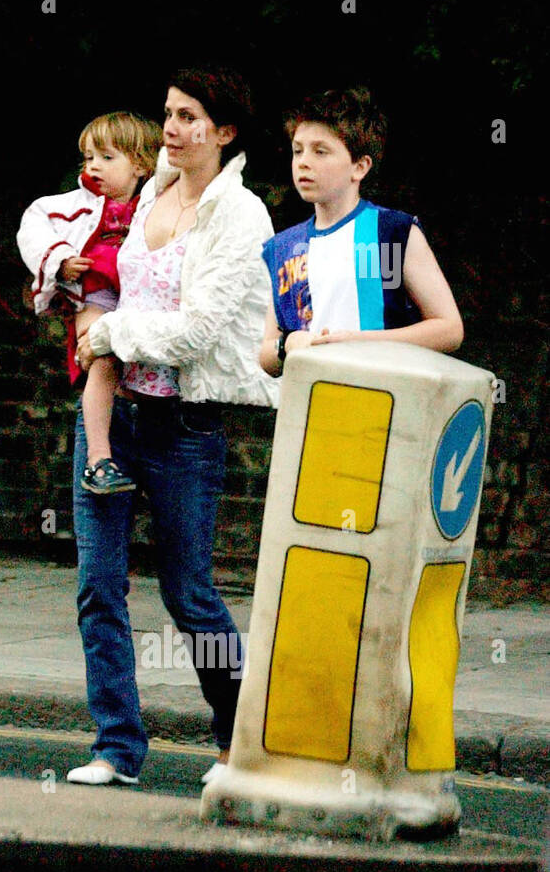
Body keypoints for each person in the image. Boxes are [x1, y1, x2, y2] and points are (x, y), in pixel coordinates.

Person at [73, 68, 278, 787]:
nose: (173, 128)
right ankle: (116, 747)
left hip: (184, 423)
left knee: (189, 592)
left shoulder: (241, 215)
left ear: (224, 133)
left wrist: (109, 331)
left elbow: (195, 333)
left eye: (190, 117)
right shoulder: (154, 186)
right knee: (98, 585)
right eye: (168, 113)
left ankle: (238, 739)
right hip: (114, 411)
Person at [258, 86, 463, 375]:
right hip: (306, 407)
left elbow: (449, 329)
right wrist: (287, 345)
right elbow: (267, 353)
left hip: (384, 402)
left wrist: (361, 343)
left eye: (320, 151)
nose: (303, 161)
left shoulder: (390, 232)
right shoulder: (282, 246)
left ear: (360, 166)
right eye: (297, 150)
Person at [18, 112, 162, 494]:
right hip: (96, 295)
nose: (94, 166)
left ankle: (129, 455)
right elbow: (32, 226)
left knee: (124, 375)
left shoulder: (156, 206)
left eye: (107, 157)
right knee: (102, 355)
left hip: (139, 302)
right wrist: (60, 260)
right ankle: (98, 459)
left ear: (142, 165)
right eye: (88, 158)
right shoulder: (73, 205)